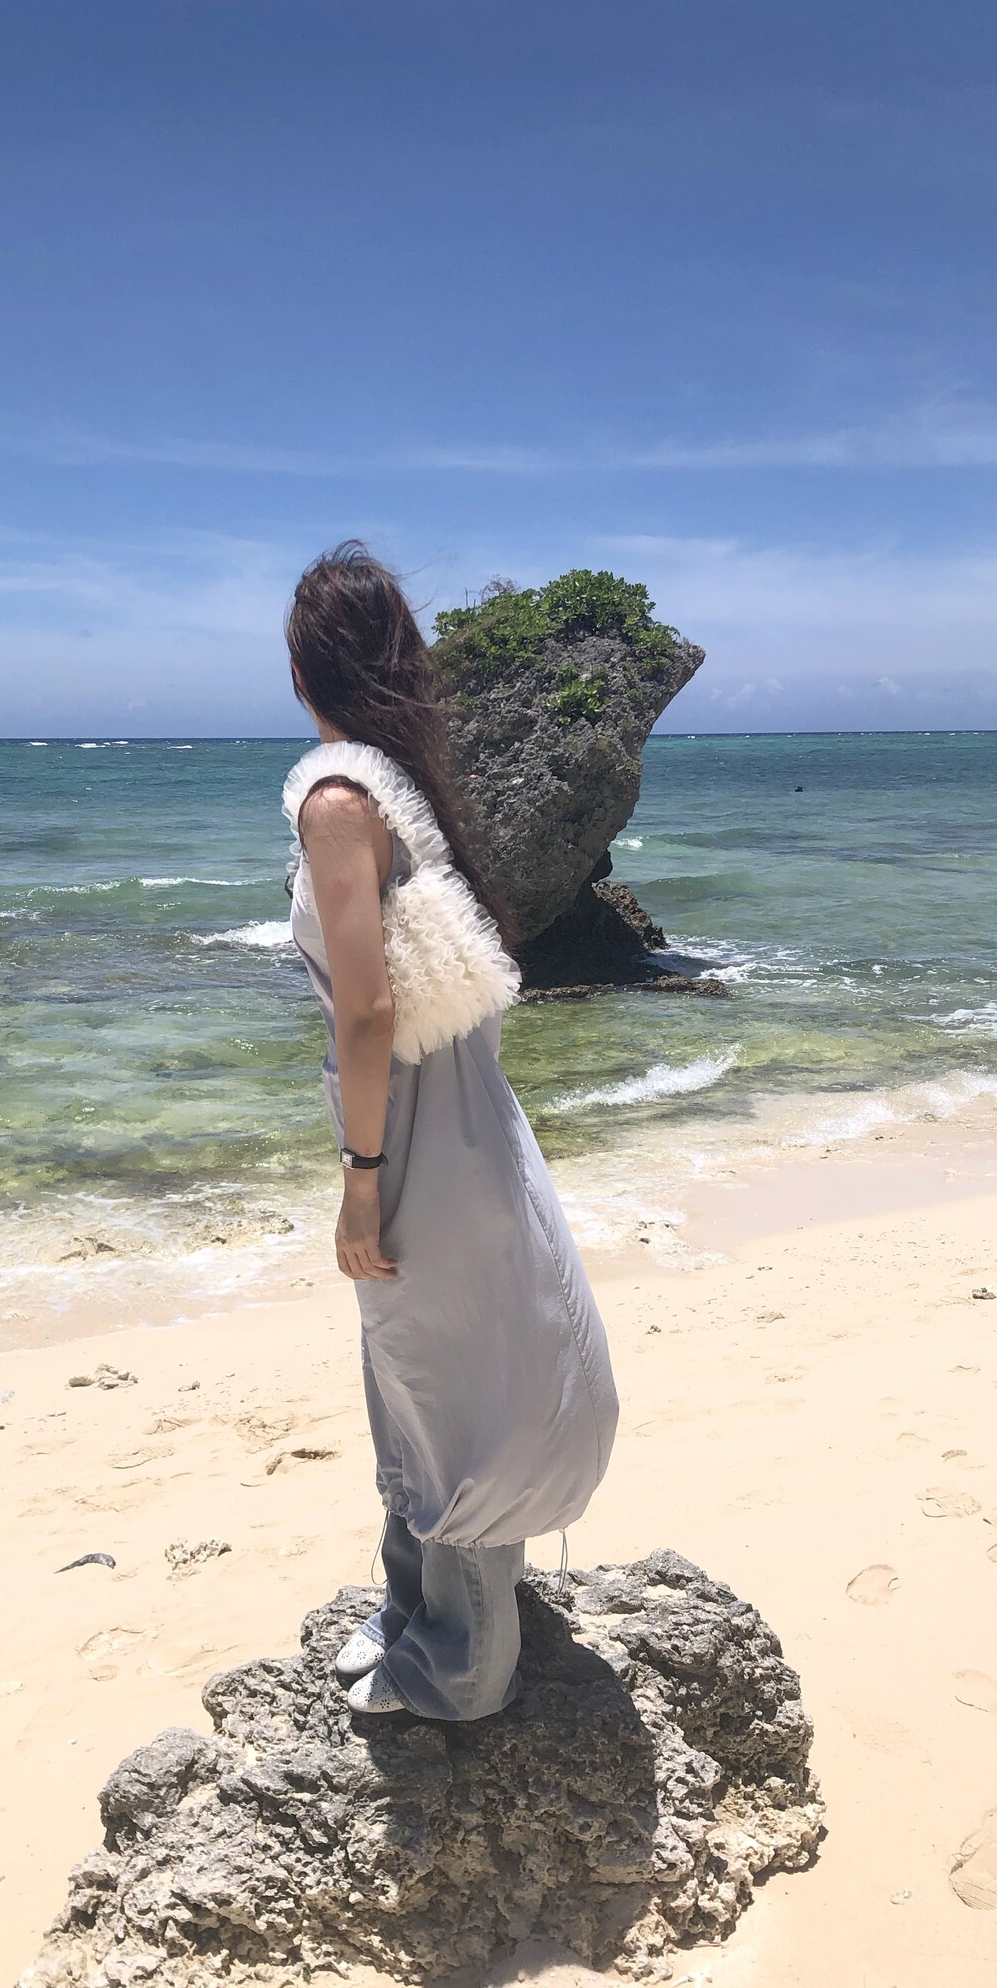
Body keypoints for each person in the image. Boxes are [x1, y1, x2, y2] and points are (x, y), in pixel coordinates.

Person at [283, 542, 619, 1720]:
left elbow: (369, 1010)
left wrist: (361, 1178)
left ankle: (463, 1668)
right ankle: (417, 1604)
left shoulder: (336, 802)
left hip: (417, 1137)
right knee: (424, 1369)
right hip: (468, 1121)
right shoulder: (400, 791)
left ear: (302, 673)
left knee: (443, 1379)